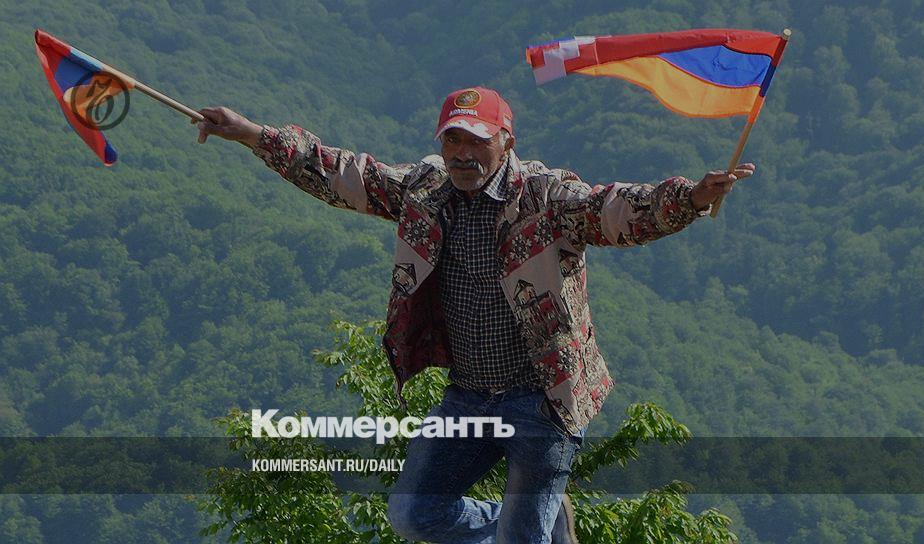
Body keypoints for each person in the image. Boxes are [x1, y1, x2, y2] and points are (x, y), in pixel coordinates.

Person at [195, 86, 754, 543]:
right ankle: (526, 521)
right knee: (414, 515)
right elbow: (342, 173)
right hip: (467, 396)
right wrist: (251, 134)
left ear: (507, 142)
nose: (462, 153)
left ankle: (530, 525)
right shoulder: (425, 191)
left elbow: (612, 209)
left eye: (477, 141)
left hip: (543, 398)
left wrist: (690, 198)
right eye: (452, 139)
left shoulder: (546, 198)